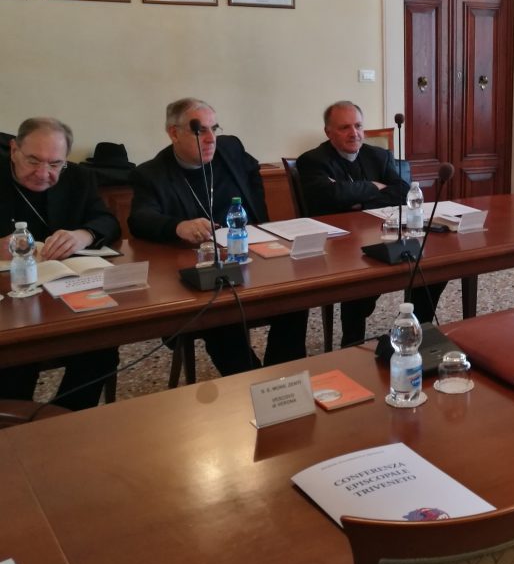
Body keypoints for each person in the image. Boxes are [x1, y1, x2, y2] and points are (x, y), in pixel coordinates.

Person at [129, 98, 308, 374]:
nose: (211, 138)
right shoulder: (152, 174)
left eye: (214, 128)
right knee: (220, 315)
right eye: (200, 130)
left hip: (251, 256)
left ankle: (281, 376)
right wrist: (178, 226)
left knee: (296, 297)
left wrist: (257, 217)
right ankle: (249, 380)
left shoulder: (230, 149)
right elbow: (140, 218)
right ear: (174, 133)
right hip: (202, 273)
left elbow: (253, 172)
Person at [296, 101, 445, 343]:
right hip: (338, 245)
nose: (353, 133)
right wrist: (375, 187)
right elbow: (330, 197)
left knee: (432, 267)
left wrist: (355, 198)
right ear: (328, 132)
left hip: (380, 235)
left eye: (358, 126)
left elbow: (402, 193)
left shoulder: (378, 156)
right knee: (360, 279)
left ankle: (415, 328)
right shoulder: (312, 160)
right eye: (344, 127)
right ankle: (352, 342)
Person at [0, 117, 121, 409]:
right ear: (14, 150)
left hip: (64, 293)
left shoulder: (79, 177)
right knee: (16, 359)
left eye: (55, 164)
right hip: (9, 300)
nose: (43, 173)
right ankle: (16, 426)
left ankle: (64, 418)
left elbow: (108, 221)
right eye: (33, 160)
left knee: (101, 349)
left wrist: (84, 234)